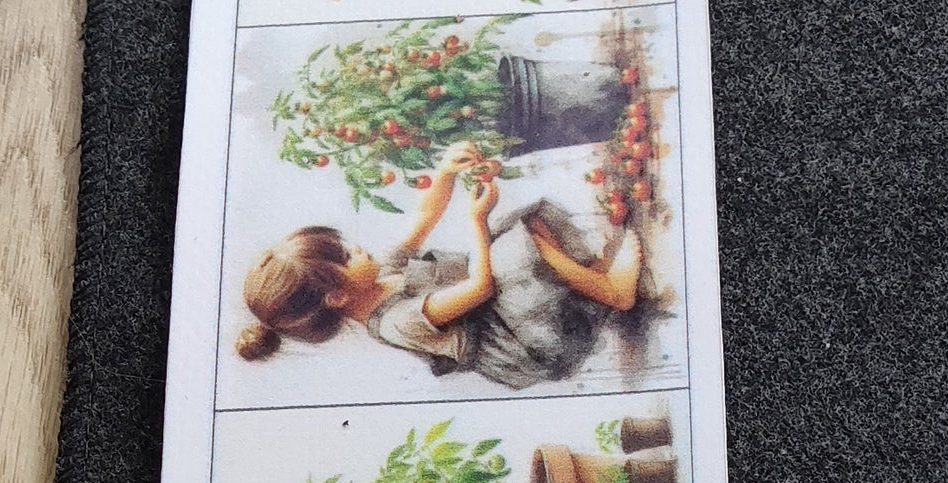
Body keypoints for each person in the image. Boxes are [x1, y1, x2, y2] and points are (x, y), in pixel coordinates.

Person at [234, 144, 644, 391]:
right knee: (519, 247)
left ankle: (594, 278)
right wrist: (477, 220)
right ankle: (614, 293)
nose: (355, 249)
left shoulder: (382, 278)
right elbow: (481, 287)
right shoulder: (395, 322)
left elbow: (425, 216)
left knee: (524, 227)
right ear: (337, 296)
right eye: (345, 257)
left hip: (512, 313)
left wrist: (446, 172)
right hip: (525, 341)